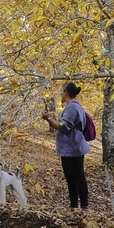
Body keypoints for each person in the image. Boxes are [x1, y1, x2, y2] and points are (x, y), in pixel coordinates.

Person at [42, 81, 92, 210]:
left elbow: (63, 127)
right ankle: (75, 206)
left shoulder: (72, 107)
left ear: (66, 92)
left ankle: (80, 206)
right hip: (72, 148)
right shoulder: (74, 106)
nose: (60, 94)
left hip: (72, 148)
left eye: (62, 91)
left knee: (75, 177)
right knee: (74, 176)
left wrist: (48, 119)